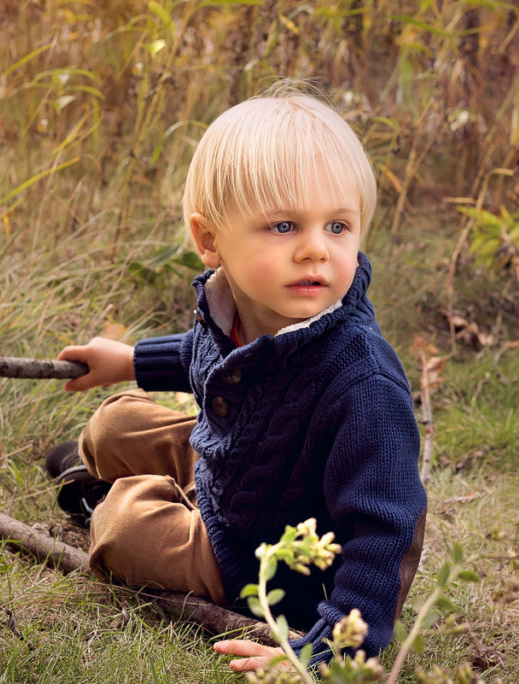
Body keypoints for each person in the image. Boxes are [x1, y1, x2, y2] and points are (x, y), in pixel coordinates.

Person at [47, 85, 427, 671]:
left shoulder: (364, 385)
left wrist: (327, 655)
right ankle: (116, 472)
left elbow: (386, 535)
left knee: (125, 528)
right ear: (209, 240)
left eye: (337, 227)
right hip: (234, 469)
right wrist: (128, 360)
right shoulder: (246, 306)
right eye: (283, 226)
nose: (314, 251)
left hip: (258, 551)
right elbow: (207, 355)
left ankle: (104, 501)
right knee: (112, 423)